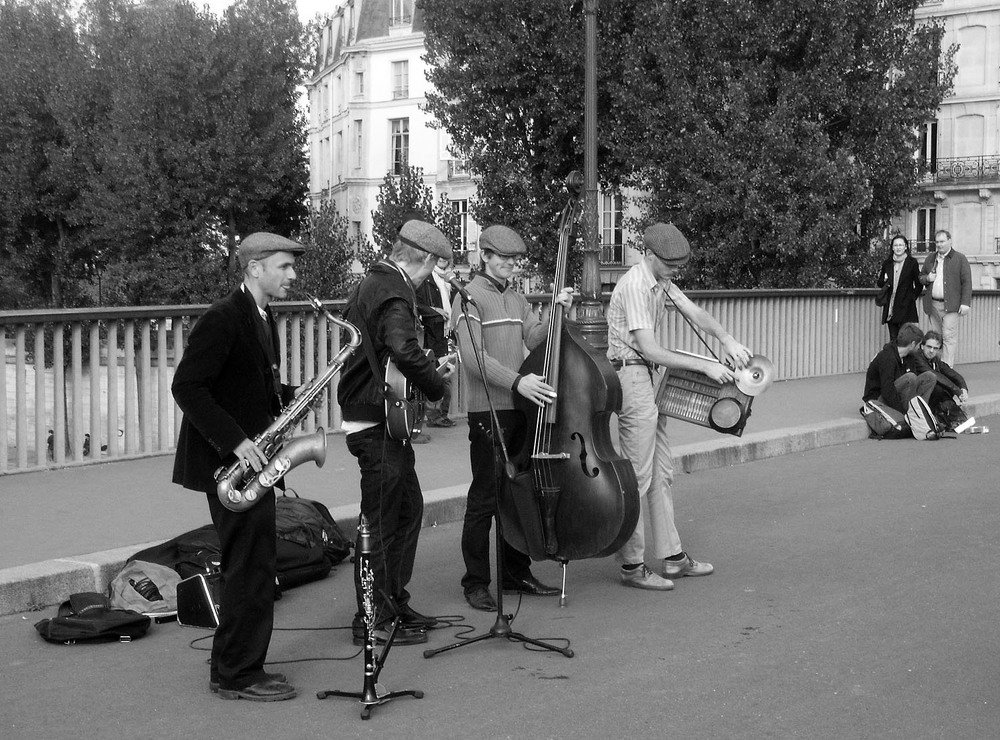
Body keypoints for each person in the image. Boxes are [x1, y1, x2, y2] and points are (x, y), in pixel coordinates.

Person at [171, 232, 305, 702]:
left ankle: (245, 664)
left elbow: (243, 383)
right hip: (228, 464)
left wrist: (287, 398)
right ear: (254, 267)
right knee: (246, 567)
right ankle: (234, 673)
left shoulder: (261, 315)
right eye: (284, 266)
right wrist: (237, 442)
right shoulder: (223, 317)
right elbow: (188, 387)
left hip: (250, 459)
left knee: (255, 564)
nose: (292, 275)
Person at [606, 222, 752, 591]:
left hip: (646, 378)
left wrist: (727, 339)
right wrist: (707, 365)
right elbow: (651, 349)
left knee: (662, 472)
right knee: (638, 476)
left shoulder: (660, 280)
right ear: (649, 255)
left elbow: (693, 311)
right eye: (671, 265)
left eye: (679, 266)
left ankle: (672, 558)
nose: (676, 271)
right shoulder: (637, 285)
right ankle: (632, 566)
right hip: (633, 376)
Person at [337, 219, 453, 646]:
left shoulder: (379, 281)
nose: (429, 279)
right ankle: (371, 617)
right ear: (421, 258)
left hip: (376, 415)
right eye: (432, 269)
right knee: (383, 521)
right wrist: (437, 385)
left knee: (406, 509)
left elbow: (392, 350)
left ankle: (392, 602)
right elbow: (403, 349)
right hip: (374, 421)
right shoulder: (392, 289)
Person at [452, 225, 572, 611]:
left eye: (515, 260)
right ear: (483, 255)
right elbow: (473, 361)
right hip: (487, 411)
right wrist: (518, 381)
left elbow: (535, 338)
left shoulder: (516, 297)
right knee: (485, 499)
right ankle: (475, 583)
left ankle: (515, 574)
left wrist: (556, 311)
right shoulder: (468, 298)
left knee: (516, 494)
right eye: (503, 258)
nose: (510, 265)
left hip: (518, 408)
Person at [919, 229, 972, 366]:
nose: (939, 245)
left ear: (950, 241)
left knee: (948, 337)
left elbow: (967, 282)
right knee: (936, 338)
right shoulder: (931, 258)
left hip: (951, 306)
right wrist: (927, 278)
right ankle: (936, 366)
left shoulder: (960, 258)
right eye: (937, 242)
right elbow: (921, 277)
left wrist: (966, 303)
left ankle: (947, 368)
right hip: (933, 305)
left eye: (942, 241)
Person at [416, 255, 456, 428]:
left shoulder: (451, 280)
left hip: (448, 331)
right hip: (432, 331)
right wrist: (435, 311)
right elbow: (418, 304)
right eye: (438, 256)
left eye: (445, 257)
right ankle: (434, 414)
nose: (442, 259)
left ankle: (442, 413)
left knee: (448, 371)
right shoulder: (425, 278)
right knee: (437, 371)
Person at [862, 322, 937, 413]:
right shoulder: (887, 357)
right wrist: (901, 412)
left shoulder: (910, 357)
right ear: (913, 344)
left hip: (898, 394)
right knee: (910, 377)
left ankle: (920, 412)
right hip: (878, 399)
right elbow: (887, 390)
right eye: (919, 345)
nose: (919, 348)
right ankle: (910, 413)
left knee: (930, 377)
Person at [906, 330, 970, 430]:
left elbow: (952, 373)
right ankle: (949, 418)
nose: (931, 351)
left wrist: (963, 389)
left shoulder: (935, 360)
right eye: (929, 347)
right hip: (914, 396)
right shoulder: (917, 357)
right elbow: (934, 375)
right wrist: (957, 391)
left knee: (945, 389)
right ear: (922, 346)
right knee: (939, 389)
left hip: (930, 396)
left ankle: (953, 418)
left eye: (935, 348)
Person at [877, 235, 922, 342]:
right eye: (895, 245)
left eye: (900, 245)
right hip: (890, 307)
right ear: (892, 247)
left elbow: (919, 284)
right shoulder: (887, 263)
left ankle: (904, 359)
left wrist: (911, 297)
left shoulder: (912, 263)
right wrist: (885, 280)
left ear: (906, 247)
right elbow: (880, 283)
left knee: (905, 340)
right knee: (893, 339)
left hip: (906, 307)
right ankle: (895, 359)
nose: (898, 247)